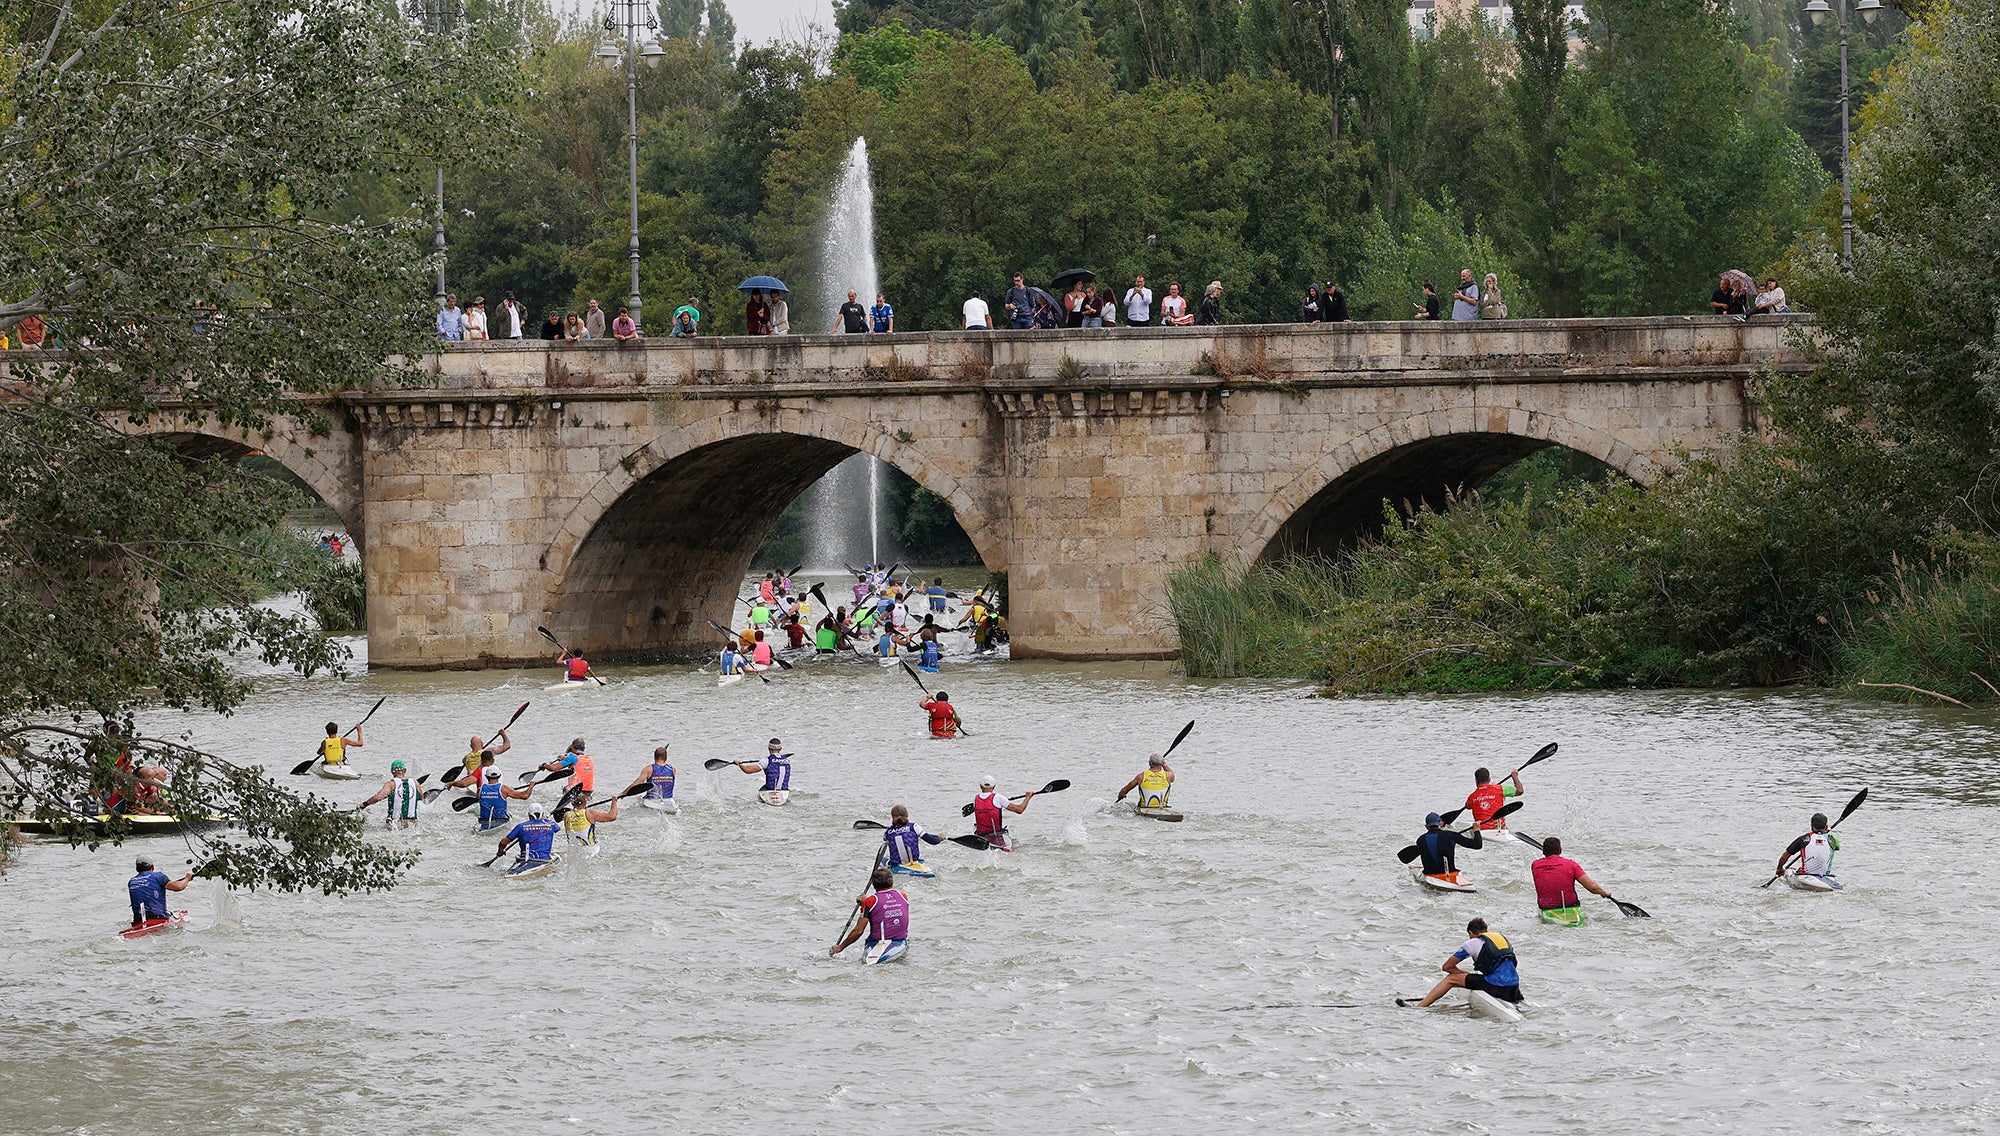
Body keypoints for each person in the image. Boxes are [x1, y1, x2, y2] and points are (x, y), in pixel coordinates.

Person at [1405, 917, 1522, 1008]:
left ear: (1471, 933)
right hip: (1514, 987)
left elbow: (1447, 967)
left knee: (1451, 978)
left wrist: (1462, 974)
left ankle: (1419, 1007)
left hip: (1496, 987)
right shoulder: (1500, 937)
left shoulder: (1472, 942)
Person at [1531, 836, 1615, 923]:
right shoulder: (1571, 864)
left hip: (1546, 909)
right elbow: (1592, 887)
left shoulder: (1535, 865)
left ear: (1544, 851)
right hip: (1571, 907)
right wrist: (1604, 892)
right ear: (1560, 850)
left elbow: (1551, 869)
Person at [830, 867, 909, 958]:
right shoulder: (903, 895)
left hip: (877, 942)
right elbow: (883, 906)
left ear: (874, 885)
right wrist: (865, 904)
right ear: (892, 882)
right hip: (900, 940)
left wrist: (840, 947)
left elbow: (858, 931)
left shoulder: (870, 902)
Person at [969, 775, 1036, 851]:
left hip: (981, 836)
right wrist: (1028, 797)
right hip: (996, 836)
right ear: (994, 786)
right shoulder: (998, 798)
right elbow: (1019, 810)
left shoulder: (975, 799)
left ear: (980, 786)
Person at [1412, 811, 1483, 880]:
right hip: (1451, 873)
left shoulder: (1420, 840)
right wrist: (1476, 830)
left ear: (1426, 827)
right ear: (1441, 824)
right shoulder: (1451, 835)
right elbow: (1477, 845)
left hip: (1430, 875)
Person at [127, 857, 194, 928]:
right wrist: (187, 879)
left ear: (137, 869)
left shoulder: (132, 881)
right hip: (158, 918)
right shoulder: (158, 876)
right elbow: (179, 887)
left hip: (138, 920)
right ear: (152, 867)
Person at [1776, 812, 1841, 882]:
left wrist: (1779, 869)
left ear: (1811, 826)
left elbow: (1784, 856)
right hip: (1826, 878)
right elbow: (1834, 847)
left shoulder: (1803, 839)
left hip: (1806, 876)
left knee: (1791, 871)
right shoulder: (1834, 839)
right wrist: (1825, 833)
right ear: (1826, 826)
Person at [359, 761, 421, 829]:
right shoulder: (415, 783)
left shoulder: (391, 784)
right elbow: (421, 797)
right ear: (405, 771)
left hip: (395, 823)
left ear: (392, 772)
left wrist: (364, 804)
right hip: (412, 822)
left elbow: (377, 798)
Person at [881, 803, 944, 871]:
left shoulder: (887, 832)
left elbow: (886, 839)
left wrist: (892, 829)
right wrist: (940, 838)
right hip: (913, 863)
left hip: (896, 865)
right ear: (907, 816)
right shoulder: (914, 827)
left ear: (893, 817)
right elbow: (933, 841)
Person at [497, 804, 559, 868]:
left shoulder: (521, 826)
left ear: (529, 814)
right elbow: (557, 828)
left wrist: (500, 851)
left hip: (524, 860)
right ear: (542, 814)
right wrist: (545, 820)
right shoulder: (551, 824)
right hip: (544, 860)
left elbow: (503, 842)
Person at [1464, 766, 1522, 830]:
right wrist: (1515, 778)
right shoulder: (1500, 788)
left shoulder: (1472, 797)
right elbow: (1520, 791)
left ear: (1476, 780)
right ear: (1489, 779)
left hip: (1481, 829)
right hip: (1499, 828)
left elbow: (1467, 806)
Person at [625, 746, 678, 813]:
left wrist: (623, 793)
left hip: (651, 801)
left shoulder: (649, 769)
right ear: (666, 757)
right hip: (669, 801)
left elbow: (636, 784)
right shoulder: (673, 769)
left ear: (654, 757)